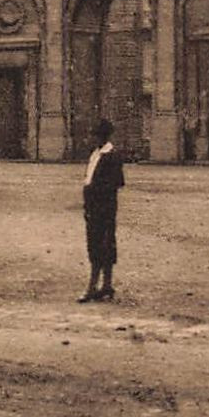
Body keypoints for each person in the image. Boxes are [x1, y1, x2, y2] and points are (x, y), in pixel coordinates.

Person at [77, 118, 125, 303]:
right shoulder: (96, 154)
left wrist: (95, 193)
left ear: (102, 137)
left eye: (95, 136)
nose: (92, 139)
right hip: (95, 207)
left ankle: (94, 287)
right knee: (99, 245)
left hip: (103, 208)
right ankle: (105, 286)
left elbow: (117, 182)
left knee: (100, 246)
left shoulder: (111, 156)